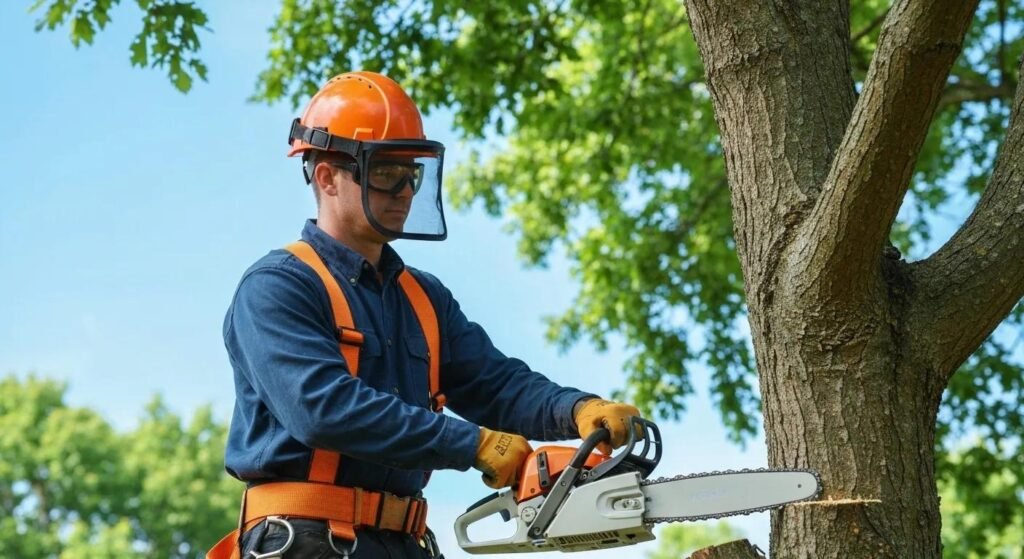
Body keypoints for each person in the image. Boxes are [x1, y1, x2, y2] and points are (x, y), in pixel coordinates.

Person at [207, 71, 640, 559]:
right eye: (386, 173)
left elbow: (496, 384)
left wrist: (577, 409)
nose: (405, 191)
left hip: (406, 542)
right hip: (308, 540)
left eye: (411, 174)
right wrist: (471, 443)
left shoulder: (423, 298)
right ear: (327, 177)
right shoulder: (279, 286)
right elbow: (323, 409)